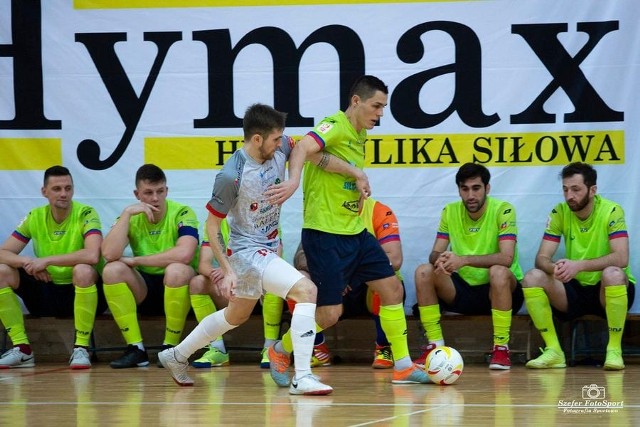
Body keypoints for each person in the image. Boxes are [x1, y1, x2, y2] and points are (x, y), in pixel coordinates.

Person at [158, 103, 333, 395]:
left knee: (235, 316)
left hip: (266, 249)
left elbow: (303, 146)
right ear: (256, 139)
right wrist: (226, 271)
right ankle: (302, 376)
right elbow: (212, 228)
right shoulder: (231, 176)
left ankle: (176, 355)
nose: (282, 144)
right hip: (247, 252)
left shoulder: (280, 148)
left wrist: (295, 180)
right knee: (307, 291)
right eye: (276, 139)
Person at [266, 75, 429, 384]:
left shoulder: (359, 134)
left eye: (384, 107)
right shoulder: (335, 125)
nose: (380, 114)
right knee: (329, 315)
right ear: (356, 101)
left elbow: (322, 158)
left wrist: (354, 173)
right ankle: (280, 349)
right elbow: (302, 149)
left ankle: (404, 364)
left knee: (393, 288)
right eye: (376, 106)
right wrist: (293, 181)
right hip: (325, 235)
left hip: (355, 233)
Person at [522, 162, 635, 370]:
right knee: (532, 277)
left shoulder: (612, 211)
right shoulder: (559, 212)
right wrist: (554, 268)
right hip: (574, 289)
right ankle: (554, 351)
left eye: (576, 189)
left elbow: (622, 257)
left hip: (606, 289)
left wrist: (579, 265)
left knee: (613, 273)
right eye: (565, 189)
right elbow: (541, 258)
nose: (569, 196)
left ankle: (614, 350)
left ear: (592, 190)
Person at [413, 162, 524, 370]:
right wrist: (441, 258)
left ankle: (501, 347)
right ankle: (435, 347)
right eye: (465, 189)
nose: (470, 195)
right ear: (459, 191)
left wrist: (463, 259)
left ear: (487, 189)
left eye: (476, 188)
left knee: (499, 272)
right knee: (423, 271)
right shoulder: (450, 211)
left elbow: (506, 258)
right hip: (463, 290)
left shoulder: (504, 210)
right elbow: (433, 253)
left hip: (500, 291)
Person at [0, 165, 107, 369]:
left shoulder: (86, 213)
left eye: (68, 188)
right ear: (44, 192)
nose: (64, 194)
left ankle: (81, 348)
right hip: (47, 291)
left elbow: (93, 254)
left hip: (80, 290)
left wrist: (47, 261)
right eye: (57, 189)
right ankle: (22, 349)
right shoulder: (35, 216)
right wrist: (28, 263)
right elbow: (2, 253)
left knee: (83, 270)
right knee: (2, 272)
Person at [101, 164, 199, 369]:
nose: (155, 198)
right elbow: (109, 254)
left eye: (160, 191)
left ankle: (170, 348)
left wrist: (137, 261)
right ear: (137, 194)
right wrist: (126, 215)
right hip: (144, 288)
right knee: (111, 270)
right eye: (148, 193)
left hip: (178, 286)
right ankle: (136, 349)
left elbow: (185, 253)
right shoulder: (132, 216)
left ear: (166, 191)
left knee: (177, 270)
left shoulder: (182, 212)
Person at [292, 196, 404, 369]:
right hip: (335, 286)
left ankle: (384, 348)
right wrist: (333, 273)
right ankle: (316, 348)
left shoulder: (379, 211)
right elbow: (301, 257)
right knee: (298, 281)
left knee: (388, 283)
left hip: (364, 287)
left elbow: (394, 259)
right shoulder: (325, 214)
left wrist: (349, 274)